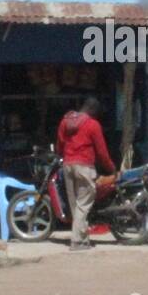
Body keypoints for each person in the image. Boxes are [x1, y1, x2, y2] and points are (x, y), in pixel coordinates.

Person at [55, 95, 116, 250]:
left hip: (67, 166)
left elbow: (59, 145)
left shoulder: (65, 121)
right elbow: (102, 152)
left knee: (75, 204)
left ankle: (82, 239)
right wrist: (111, 168)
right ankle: (76, 242)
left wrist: (63, 155)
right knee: (83, 204)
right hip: (84, 167)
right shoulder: (93, 124)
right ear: (93, 110)